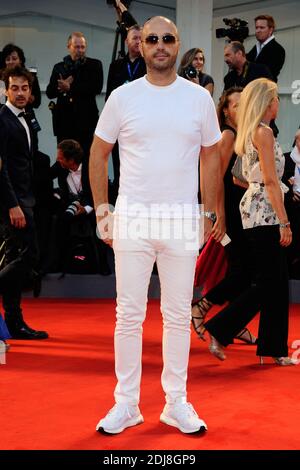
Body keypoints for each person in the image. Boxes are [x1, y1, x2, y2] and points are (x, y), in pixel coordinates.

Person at [89, 16, 222, 435]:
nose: (160, 45)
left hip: (183, 218)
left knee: (177, 314)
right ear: (140, 46)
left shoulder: (198, 98)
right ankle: (126, 404)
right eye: (152, 39)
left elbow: (212, 156)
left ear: (178, 44)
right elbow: (98, 154)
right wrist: (102, 211)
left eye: (168, 39)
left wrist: (209, 213)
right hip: (132, 218)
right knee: (128, 316)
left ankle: (175, 402)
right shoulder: (122, 97)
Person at [204, 78, 298, 366]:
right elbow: (270, 179)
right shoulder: (264, 133)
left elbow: (237, 177)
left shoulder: (247, 132)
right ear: (268, 102)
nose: (279, 103)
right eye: (276, 98)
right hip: (267, 213)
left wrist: (257, 190)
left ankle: (273, 349)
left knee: (275, 282)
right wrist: (284, 222)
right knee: (269, 282)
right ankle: (221, 329)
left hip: (254, 209)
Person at [191, 88, 257, 360]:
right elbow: (215, 178)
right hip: (229, 214)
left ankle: (234, 322)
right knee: (244, 270)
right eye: (236, 105)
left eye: (245, 104)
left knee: (241, 269)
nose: (241, 109)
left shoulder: (241, 135)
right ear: (226, 111)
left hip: (238, 213)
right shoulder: (228, 135)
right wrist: (218, 216)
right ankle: (202, 307)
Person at [0, 66, 48, 339]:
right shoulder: (2, 119)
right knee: (24, 258)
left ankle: (15, 322)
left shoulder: (27, 118)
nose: (20, 93)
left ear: (31, 91)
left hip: (26, 199)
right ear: (6, 89)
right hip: (12, 203)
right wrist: (12, 204)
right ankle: (14, 321)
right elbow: (1, 168)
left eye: (24, 88)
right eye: (15, 88)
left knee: (22, 259)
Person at [46, 32, 103, 160]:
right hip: (64, 122)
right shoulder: (59, 67)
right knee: (65, 158)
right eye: (77, 47)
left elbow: (96, 88)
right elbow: (50, 93)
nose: (80, 50)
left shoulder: (94, 65)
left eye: (82, 47)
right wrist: (60, 87)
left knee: (86, 157)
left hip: (86, 121)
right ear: (69, 46)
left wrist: (70, 87)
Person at [106, 23, 146, 192]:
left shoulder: (147, 64)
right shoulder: (116, 65)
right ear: (126, 41)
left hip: (142, 120)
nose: (138, 42)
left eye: (141, 38)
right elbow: (109, 94)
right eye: (134, 38)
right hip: (121, 121)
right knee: (119, 163)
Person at [246, 15, 285, 82]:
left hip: (265, 89)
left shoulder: (278, 49)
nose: (258, 30)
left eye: (262, 27)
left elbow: (268, 73)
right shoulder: (256, 48)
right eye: (256, 27)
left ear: (270, 30)